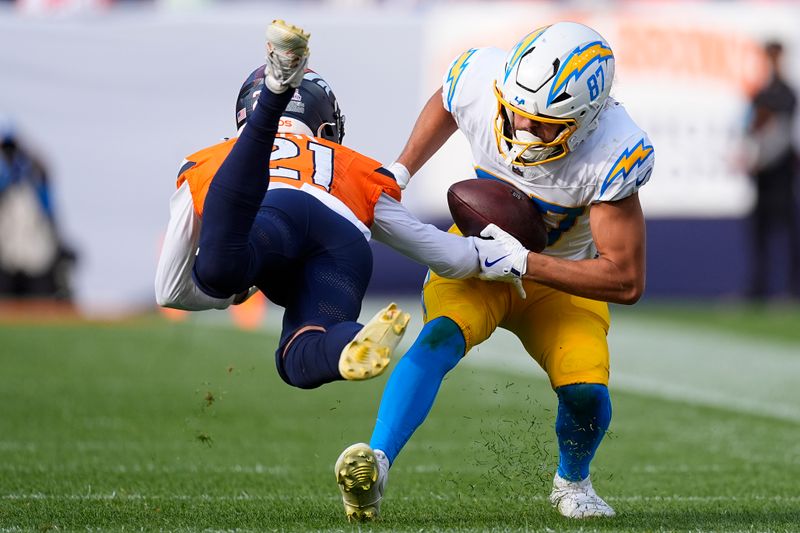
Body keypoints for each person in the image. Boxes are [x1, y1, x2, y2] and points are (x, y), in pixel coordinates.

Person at [335, 21, 654, 520]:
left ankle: (573, 483)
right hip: (479, 257)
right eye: (517, 112)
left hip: (560, 277)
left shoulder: (613, 150)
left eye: (545, 123)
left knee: (586, 390)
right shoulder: (482, 80)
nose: (524, 129)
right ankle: (376, 464)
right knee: (439, 337)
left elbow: (626, 281)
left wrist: (526, 262)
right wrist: (401, 169)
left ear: (588, 120)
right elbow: (449, 97)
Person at [155, 20, 504, 390]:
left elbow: (169, 290)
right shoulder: (355, 167)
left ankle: (273, 93)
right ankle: (349, 340)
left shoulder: (207, 160)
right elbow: (437, 251)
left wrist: (233, 292)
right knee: (300, 354)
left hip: (273, 220)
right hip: (341, 242)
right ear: (324, 125)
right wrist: (494, 256)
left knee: (218, 272)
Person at [0, 120, 76, 301]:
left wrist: (59, 245)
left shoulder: (34, 171)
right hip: (6, 256)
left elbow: (50, 211)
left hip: (36, 258)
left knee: (36, 305)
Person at [746, 40, 799, 300]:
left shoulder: (786, 93)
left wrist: (760, 160)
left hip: (781, 173)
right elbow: (752, 130)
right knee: (760, 234)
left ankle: (791, 289)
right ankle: (759, 289)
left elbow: (781, 136)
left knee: (788, 234)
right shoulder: (761, 93)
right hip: (764, 177)